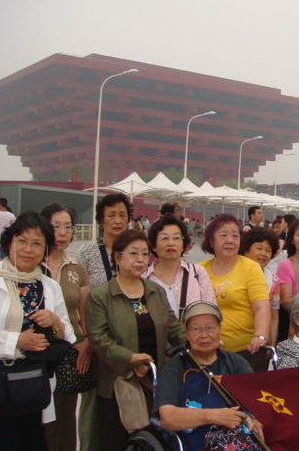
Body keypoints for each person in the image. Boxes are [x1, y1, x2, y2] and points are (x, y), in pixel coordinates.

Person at [86, 230, 187, 451]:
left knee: (152, 440)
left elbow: (172, 326)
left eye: (145, 253)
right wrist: (130, 358)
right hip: (118, 383)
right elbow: (99, 339)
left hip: (155, 380)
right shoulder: (101, 296)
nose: (140, 259)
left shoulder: (155, 291)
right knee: (118, 441)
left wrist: (196, 342)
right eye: (133, 253)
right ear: (118, 257)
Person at [0, 211, 75, 451]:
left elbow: (68, 336)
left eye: (37, 243)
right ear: (9, 242)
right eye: (22, 241)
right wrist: (17, 341)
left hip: (32, 386)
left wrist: (55, 321)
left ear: (45, 249)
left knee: (32, 441)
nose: (28, 249)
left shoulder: (49, 286)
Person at [155, 301, 264, 450]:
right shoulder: (176, 366)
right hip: (195, 441)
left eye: (210, 327)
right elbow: (167, 417)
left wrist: (255, 418)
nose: (204, 335)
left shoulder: (234, 362)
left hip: (238, 437)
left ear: (220, 330)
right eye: (196, 329)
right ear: (187, 334)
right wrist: (213, 416)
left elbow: (256, 400)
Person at [75, 193, 132, 451]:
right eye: (111, 215)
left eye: (122, 215)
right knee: (92, 407)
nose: (117, 220)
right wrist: (88, 338)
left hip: (127, 340)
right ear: (101, 220)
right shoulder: (86, 253)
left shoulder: (135, 250)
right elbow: (81, 299)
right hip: (96, 339)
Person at [40, 204, 92, 451]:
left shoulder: (76, 268)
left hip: (68, 351)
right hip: (36, 350)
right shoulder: (31, 264)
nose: (62, 232)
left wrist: (86, 342)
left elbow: (84, 313)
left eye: (68, 227)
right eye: (55, 226)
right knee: (38, 418)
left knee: (64, 418)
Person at [199, 214, 271, 371]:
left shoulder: (251, 267)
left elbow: (262, 307)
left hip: (247, 350)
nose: (230, 240)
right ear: (211, 241)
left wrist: (260, 336)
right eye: (223, 235)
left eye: (235, 236)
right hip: (208, 351)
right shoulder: (199, 270)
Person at [143, 214, 215, 318]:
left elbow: (211, 314)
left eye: (176, 238)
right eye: (164, 238)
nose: (171, 243)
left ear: (183, 245)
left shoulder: (198, 273)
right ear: (154, 246)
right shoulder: (144, 277)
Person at [240, 227, 281, 345]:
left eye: (268, 250)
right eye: (259, 248)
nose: (263, 254)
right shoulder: (234, 273)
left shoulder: (273, 280)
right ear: (246, 251)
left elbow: (274, 316)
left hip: (260, 342)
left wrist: (271, 346)